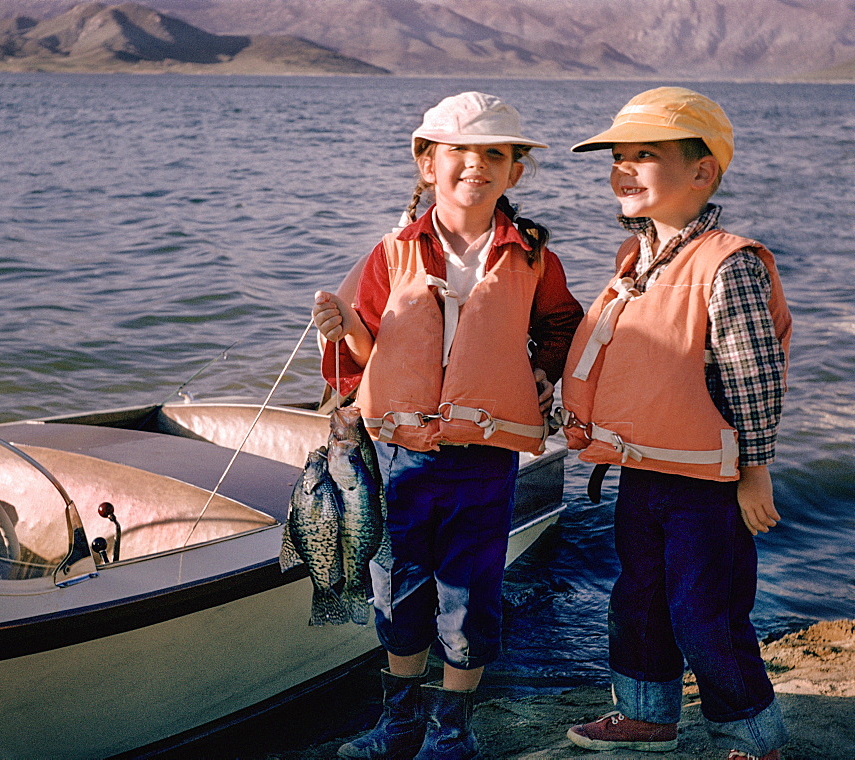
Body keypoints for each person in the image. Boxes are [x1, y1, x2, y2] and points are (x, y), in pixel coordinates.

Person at [312, 91, 583, 760]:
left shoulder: (534, 257)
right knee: (398, 590)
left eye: (495, 154)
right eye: (459, 151)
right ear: (428, 163)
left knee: (469, 596)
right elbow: (365, 355)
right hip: (399, 457)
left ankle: (453, 731)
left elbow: (561, 326)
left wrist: (544, 373)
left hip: (484, 460)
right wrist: (340, 331)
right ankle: (399, 724)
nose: (477, 165)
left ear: (515, 171)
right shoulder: (391, 253)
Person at [559, 87, 792, 760]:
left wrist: (755, 473)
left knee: (706, 613)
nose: (623, 169)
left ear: (702, 172)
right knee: (637, 601)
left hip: (708, 484)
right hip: (643, 471)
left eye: (645, 155)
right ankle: (646, 716)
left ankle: (752, 735)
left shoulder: (728, 263)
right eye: (618, 156)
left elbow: (754, 380)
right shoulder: (636, 262)